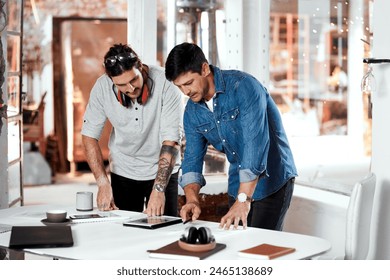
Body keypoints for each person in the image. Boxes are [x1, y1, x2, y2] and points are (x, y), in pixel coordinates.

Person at [165, 42, 297, 230]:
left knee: (261, 248)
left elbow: (254, 146)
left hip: (272, 179)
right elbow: (192, 160)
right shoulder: (192, 111)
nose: (186, 92)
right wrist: (192, 199)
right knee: (238, 243)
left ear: (204, 69)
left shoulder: (244, 87)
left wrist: (243, 200)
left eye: (188, 83)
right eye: (180, 87)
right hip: (238, 181)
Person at [81, 43, 183, 217]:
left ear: (141, 67)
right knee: (123, 231)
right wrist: (103, 183)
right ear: (111, 81)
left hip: (161, 172)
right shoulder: (102, 88)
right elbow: (89, 136)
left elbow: (171, 140)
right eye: (121, 85)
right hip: (123, 170)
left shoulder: (166, 84)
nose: (130, 88)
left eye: (134, 80)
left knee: (165, 231)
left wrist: (158, 190)